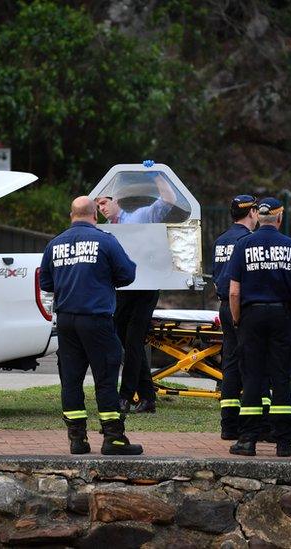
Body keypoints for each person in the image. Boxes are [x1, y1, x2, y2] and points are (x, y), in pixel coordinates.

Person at [39, 197, 143, 455]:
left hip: (66, 321)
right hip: (96, 320)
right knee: (105, 378)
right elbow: (127, 274)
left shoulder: (55, 244)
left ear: (70, 215)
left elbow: (46, 284)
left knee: (71, 381)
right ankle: (113, 439)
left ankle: (77, 440)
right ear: (95, 214)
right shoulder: (106, 241)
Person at [227, 198, 291, 458]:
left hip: (251, 315)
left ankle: (248, 440)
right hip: (282, 314)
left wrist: (238, 320)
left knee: (251, 377)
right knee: (281, 378)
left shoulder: (243, 245)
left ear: (258, 217)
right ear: (280, 219)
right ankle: (284, 442)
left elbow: (234, 292)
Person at [95, 173, 178, 413]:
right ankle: (148, 397)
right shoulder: (106, 230)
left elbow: (169, 199)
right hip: (123, 289)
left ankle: (125, 396)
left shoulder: (141, 216)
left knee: (133, 341)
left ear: (116, 200)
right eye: (98, 205)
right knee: (128, 342)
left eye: (104, 202)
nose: (101, 208)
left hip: (146, 286)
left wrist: (157, 176)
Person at [212, 194, 259, 439]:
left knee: (229, 363)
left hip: (224, 305)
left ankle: (228, 424)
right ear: (252, 213)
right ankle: (253, 424)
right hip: (242, 306)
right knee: (251, 363)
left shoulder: (221, 240)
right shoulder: (249, 241)